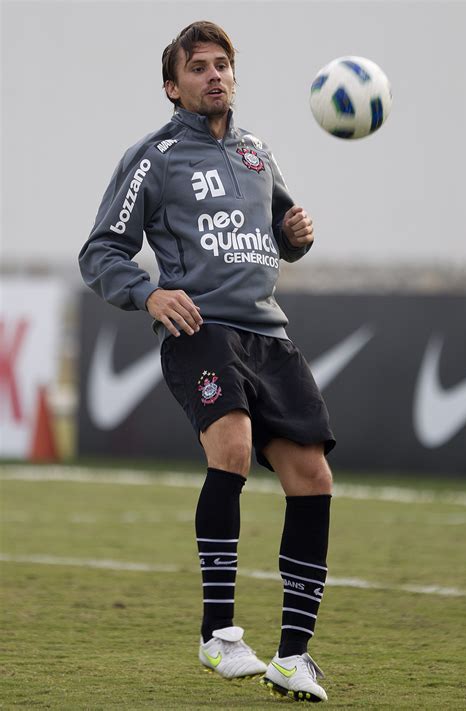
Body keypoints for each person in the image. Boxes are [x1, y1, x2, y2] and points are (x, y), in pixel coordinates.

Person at [79, 20, 335, 704]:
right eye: (198, 67)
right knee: (233, 446)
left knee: (313, 475)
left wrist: (295, 237)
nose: (214, 75)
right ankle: (219, 634)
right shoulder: (153, 157)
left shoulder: (257, 154)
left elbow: (279, 237)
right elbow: (100, 252)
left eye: (222, 64)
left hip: (268, 335)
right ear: (173, 85)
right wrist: (149, 291)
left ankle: (292, 657)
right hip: (201, 326)